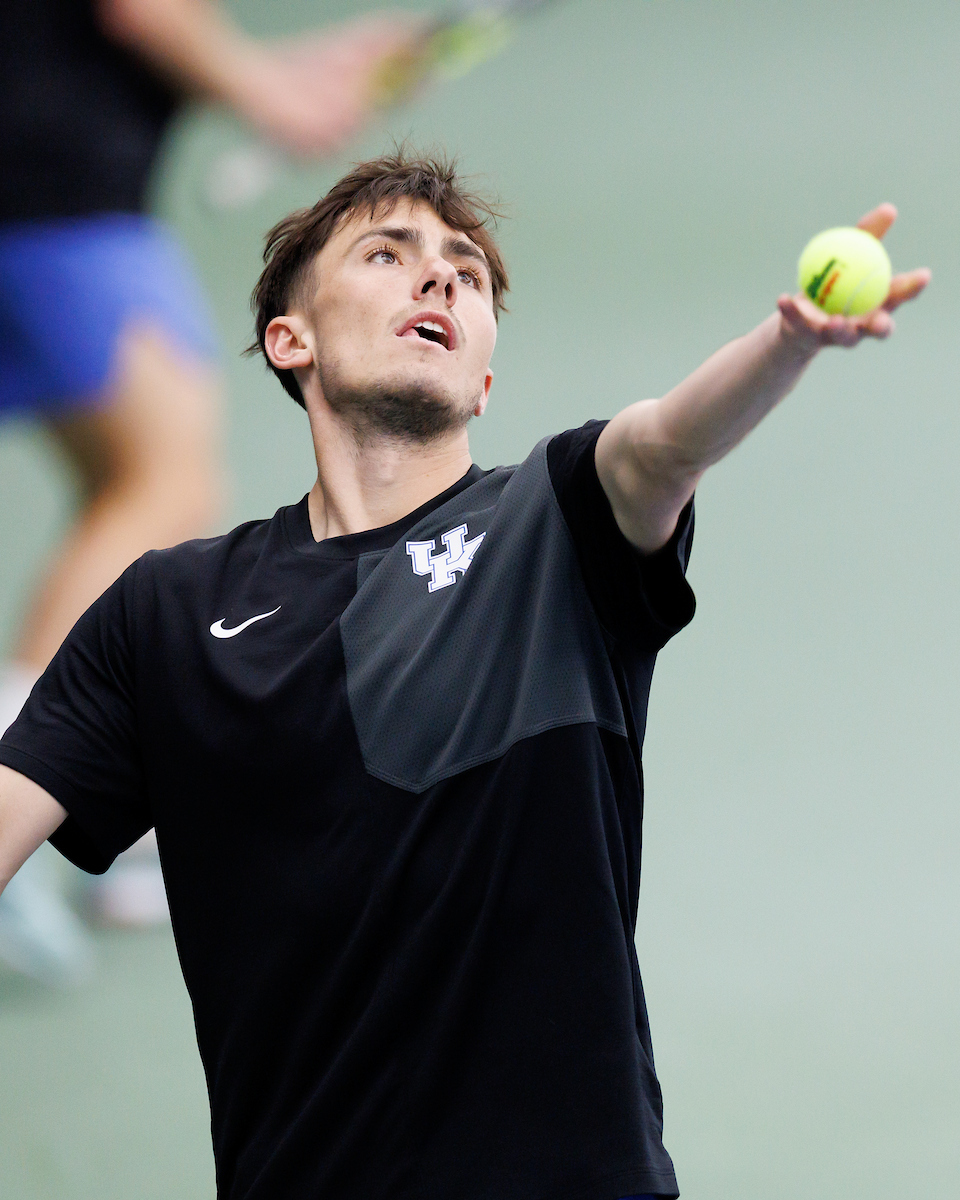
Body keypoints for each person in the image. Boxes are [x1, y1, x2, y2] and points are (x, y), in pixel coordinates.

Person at [0, 150, 929, 1197]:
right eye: (387, 255)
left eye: (467, 273)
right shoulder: (167, 611)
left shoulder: (556, 527)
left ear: (484, 379)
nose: (439, 276)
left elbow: (662, 448)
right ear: (291, 340)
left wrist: (788, 343)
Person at [0, 0, 412, 977]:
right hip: (52, 192)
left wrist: (283, 70)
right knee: (166, 482)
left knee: (125, 484)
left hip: (48, 178)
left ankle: (103, 815)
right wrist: (264, 90)